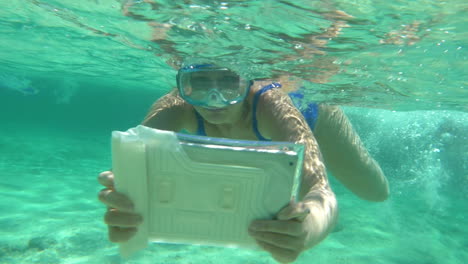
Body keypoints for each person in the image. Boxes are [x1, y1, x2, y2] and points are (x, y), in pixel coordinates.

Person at [98, 63, 389, 263]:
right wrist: (127, 206)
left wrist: (308, 229)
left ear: (247, 80)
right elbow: (132, 171)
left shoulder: (271, 104)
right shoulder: (176, 106)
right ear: (182, 86)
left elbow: (322, 192)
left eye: (228, 83)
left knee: (374, 191)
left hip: (317, 119)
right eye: (198, 83)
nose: (215, 100)